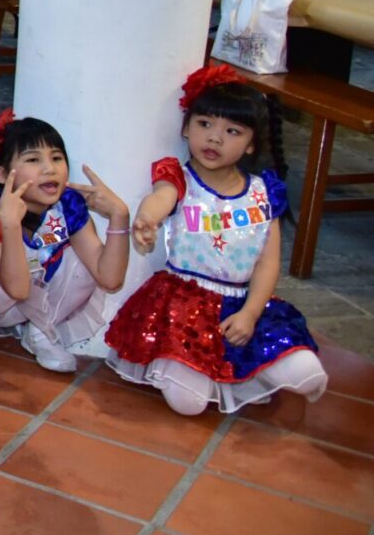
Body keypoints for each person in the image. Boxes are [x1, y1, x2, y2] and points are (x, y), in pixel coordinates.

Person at [107, 64, 327, 413]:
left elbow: (268, 263)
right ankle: (209, 374)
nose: (214, 138)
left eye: (232, 130)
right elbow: (160, 199)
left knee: (309, 376)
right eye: (204, 124)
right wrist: (147, 219)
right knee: (188, 404)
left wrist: (251, 314)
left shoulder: (264, 192)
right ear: (186, 128)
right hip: (183, 309)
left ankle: (248, 371)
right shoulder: (178, 177)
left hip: (240, 305)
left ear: (252, 144)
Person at [0, 112, 132, 374]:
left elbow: (109, 278)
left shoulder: (68, 204)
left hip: (24, 300)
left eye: (56, 157)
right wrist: (9, 226)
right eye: (33, 159)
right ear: (0, 174)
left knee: (83, 266)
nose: (49, 168)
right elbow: (17, 288)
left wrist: (119, 217)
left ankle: (41, 330)